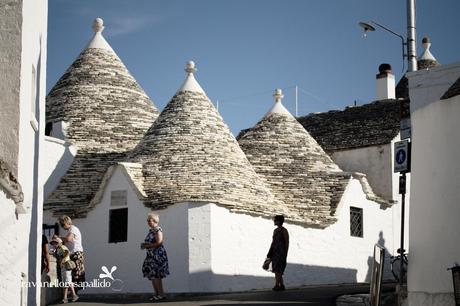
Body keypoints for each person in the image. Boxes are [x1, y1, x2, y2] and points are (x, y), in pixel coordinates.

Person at [141, 213, 169, 301]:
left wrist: (147, 246)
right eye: (147, 221)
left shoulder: (157, 229)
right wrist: (146, 245)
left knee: (156, 275)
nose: (148, 222)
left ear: (155, 221)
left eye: (149, 220)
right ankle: (156, 294)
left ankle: (161, 294)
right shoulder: (152, 231)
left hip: (157, 255)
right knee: (153, 275)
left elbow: (159, 242)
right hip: (151, 256)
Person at [58, 215, 85, 289]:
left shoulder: (73, 229)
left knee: (76, 273)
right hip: (73, 253)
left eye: (63, 224)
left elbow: (68, 239)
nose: (62, 226)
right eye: (61, 225)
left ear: (67, 222)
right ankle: (74, 293)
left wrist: (59, 238)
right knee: (73, 273)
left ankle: (75, 292)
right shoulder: (71, 230)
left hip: (76, 253)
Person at [50, 235, 79, 303]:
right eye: (53, 243)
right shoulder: (58, 249)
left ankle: (66, 298)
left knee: (66, 282)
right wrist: (54, 254)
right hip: (64, 266)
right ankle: (73, 296)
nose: (54, 244)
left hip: (66, 266)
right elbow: (61, 255)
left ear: (59, 243)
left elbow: (66, 252)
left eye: (55, 243)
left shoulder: (62, 247)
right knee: (68, 281)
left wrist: (62, 261)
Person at [266, 215, 289, 291]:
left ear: (279, 221)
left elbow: (286, 242)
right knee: (276, 270)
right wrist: (270, 252)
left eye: (275, 220)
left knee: (278, 270)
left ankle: (277, 285)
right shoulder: (275, 231)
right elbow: (273, 242)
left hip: (281, 253)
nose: (274, 221)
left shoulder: (284, 231)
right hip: (275, 253)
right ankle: (281, 285)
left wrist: (285, 254)